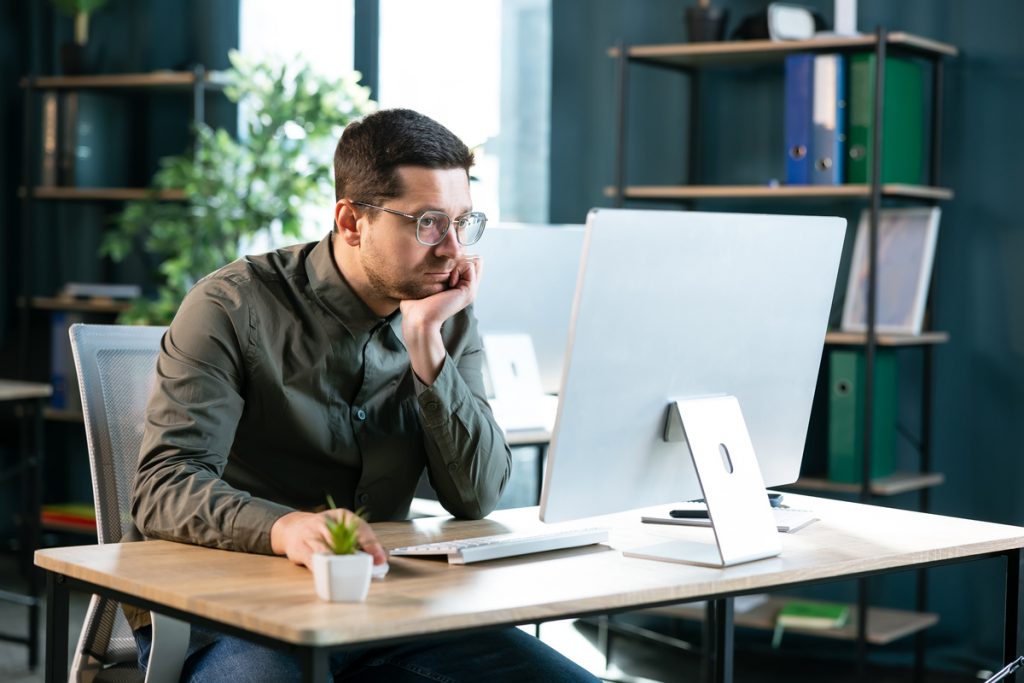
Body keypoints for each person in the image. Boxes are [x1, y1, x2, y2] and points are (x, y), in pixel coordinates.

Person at [130, 108, 599, 682]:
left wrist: (426, 344)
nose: (453, 250)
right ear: (352, 222)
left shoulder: (444, 314)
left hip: (387, 610)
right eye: (428, 223)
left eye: (464, 222)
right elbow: (163, 487)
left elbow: (476, 497)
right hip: (231, 613)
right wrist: (286, 529)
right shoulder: (231, 306)